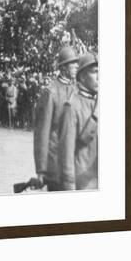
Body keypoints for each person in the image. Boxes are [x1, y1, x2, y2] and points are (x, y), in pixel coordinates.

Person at [33, 46, 79, 191]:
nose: (77, 67)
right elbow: (42, 133)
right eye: (73, 64)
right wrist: (41, 169)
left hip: (74, 164)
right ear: (64, 67)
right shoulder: (50, 92)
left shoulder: (76, 90)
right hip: (56, 166)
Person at [58, 53, 98, 191]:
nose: (100, 77)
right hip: (83, 183)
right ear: (82, 77)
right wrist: (70, 188)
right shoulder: (71, 106)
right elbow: (67, 153)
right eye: (95, 72)